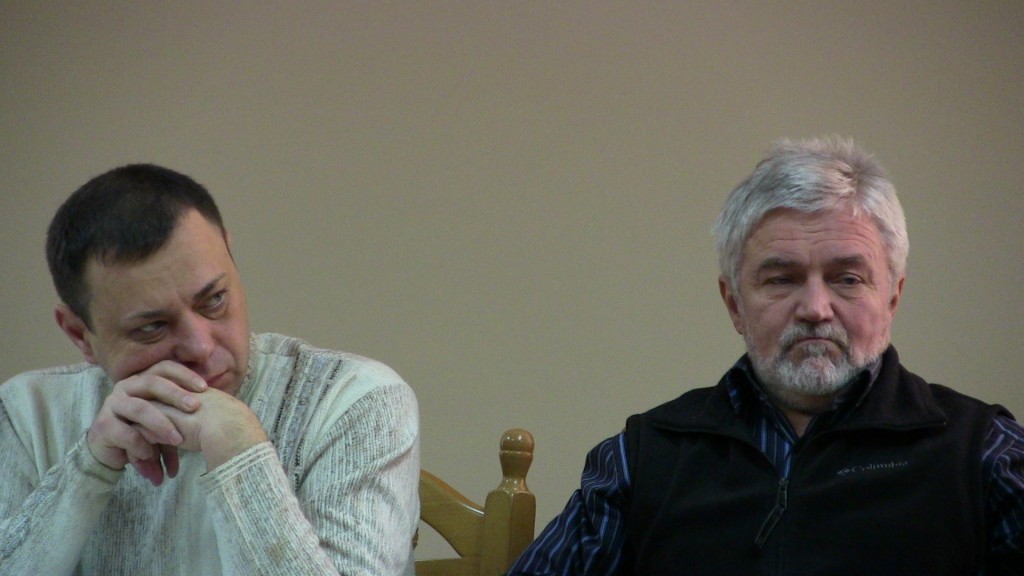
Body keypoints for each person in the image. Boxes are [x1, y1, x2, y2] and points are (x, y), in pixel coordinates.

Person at [507, 137, 1024, 575]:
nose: (816, 308)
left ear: (892, 297)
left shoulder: (983, 454)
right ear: (734, 303)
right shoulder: (641, 460)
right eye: (781, 279)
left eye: (847, 278)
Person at [0, 164, 420, 574]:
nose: (201, 347)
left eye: (214, 300)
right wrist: (87, 468)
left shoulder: (357, 401)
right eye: (152, 327)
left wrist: (240, 452)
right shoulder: (27, 412)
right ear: (80, 335)